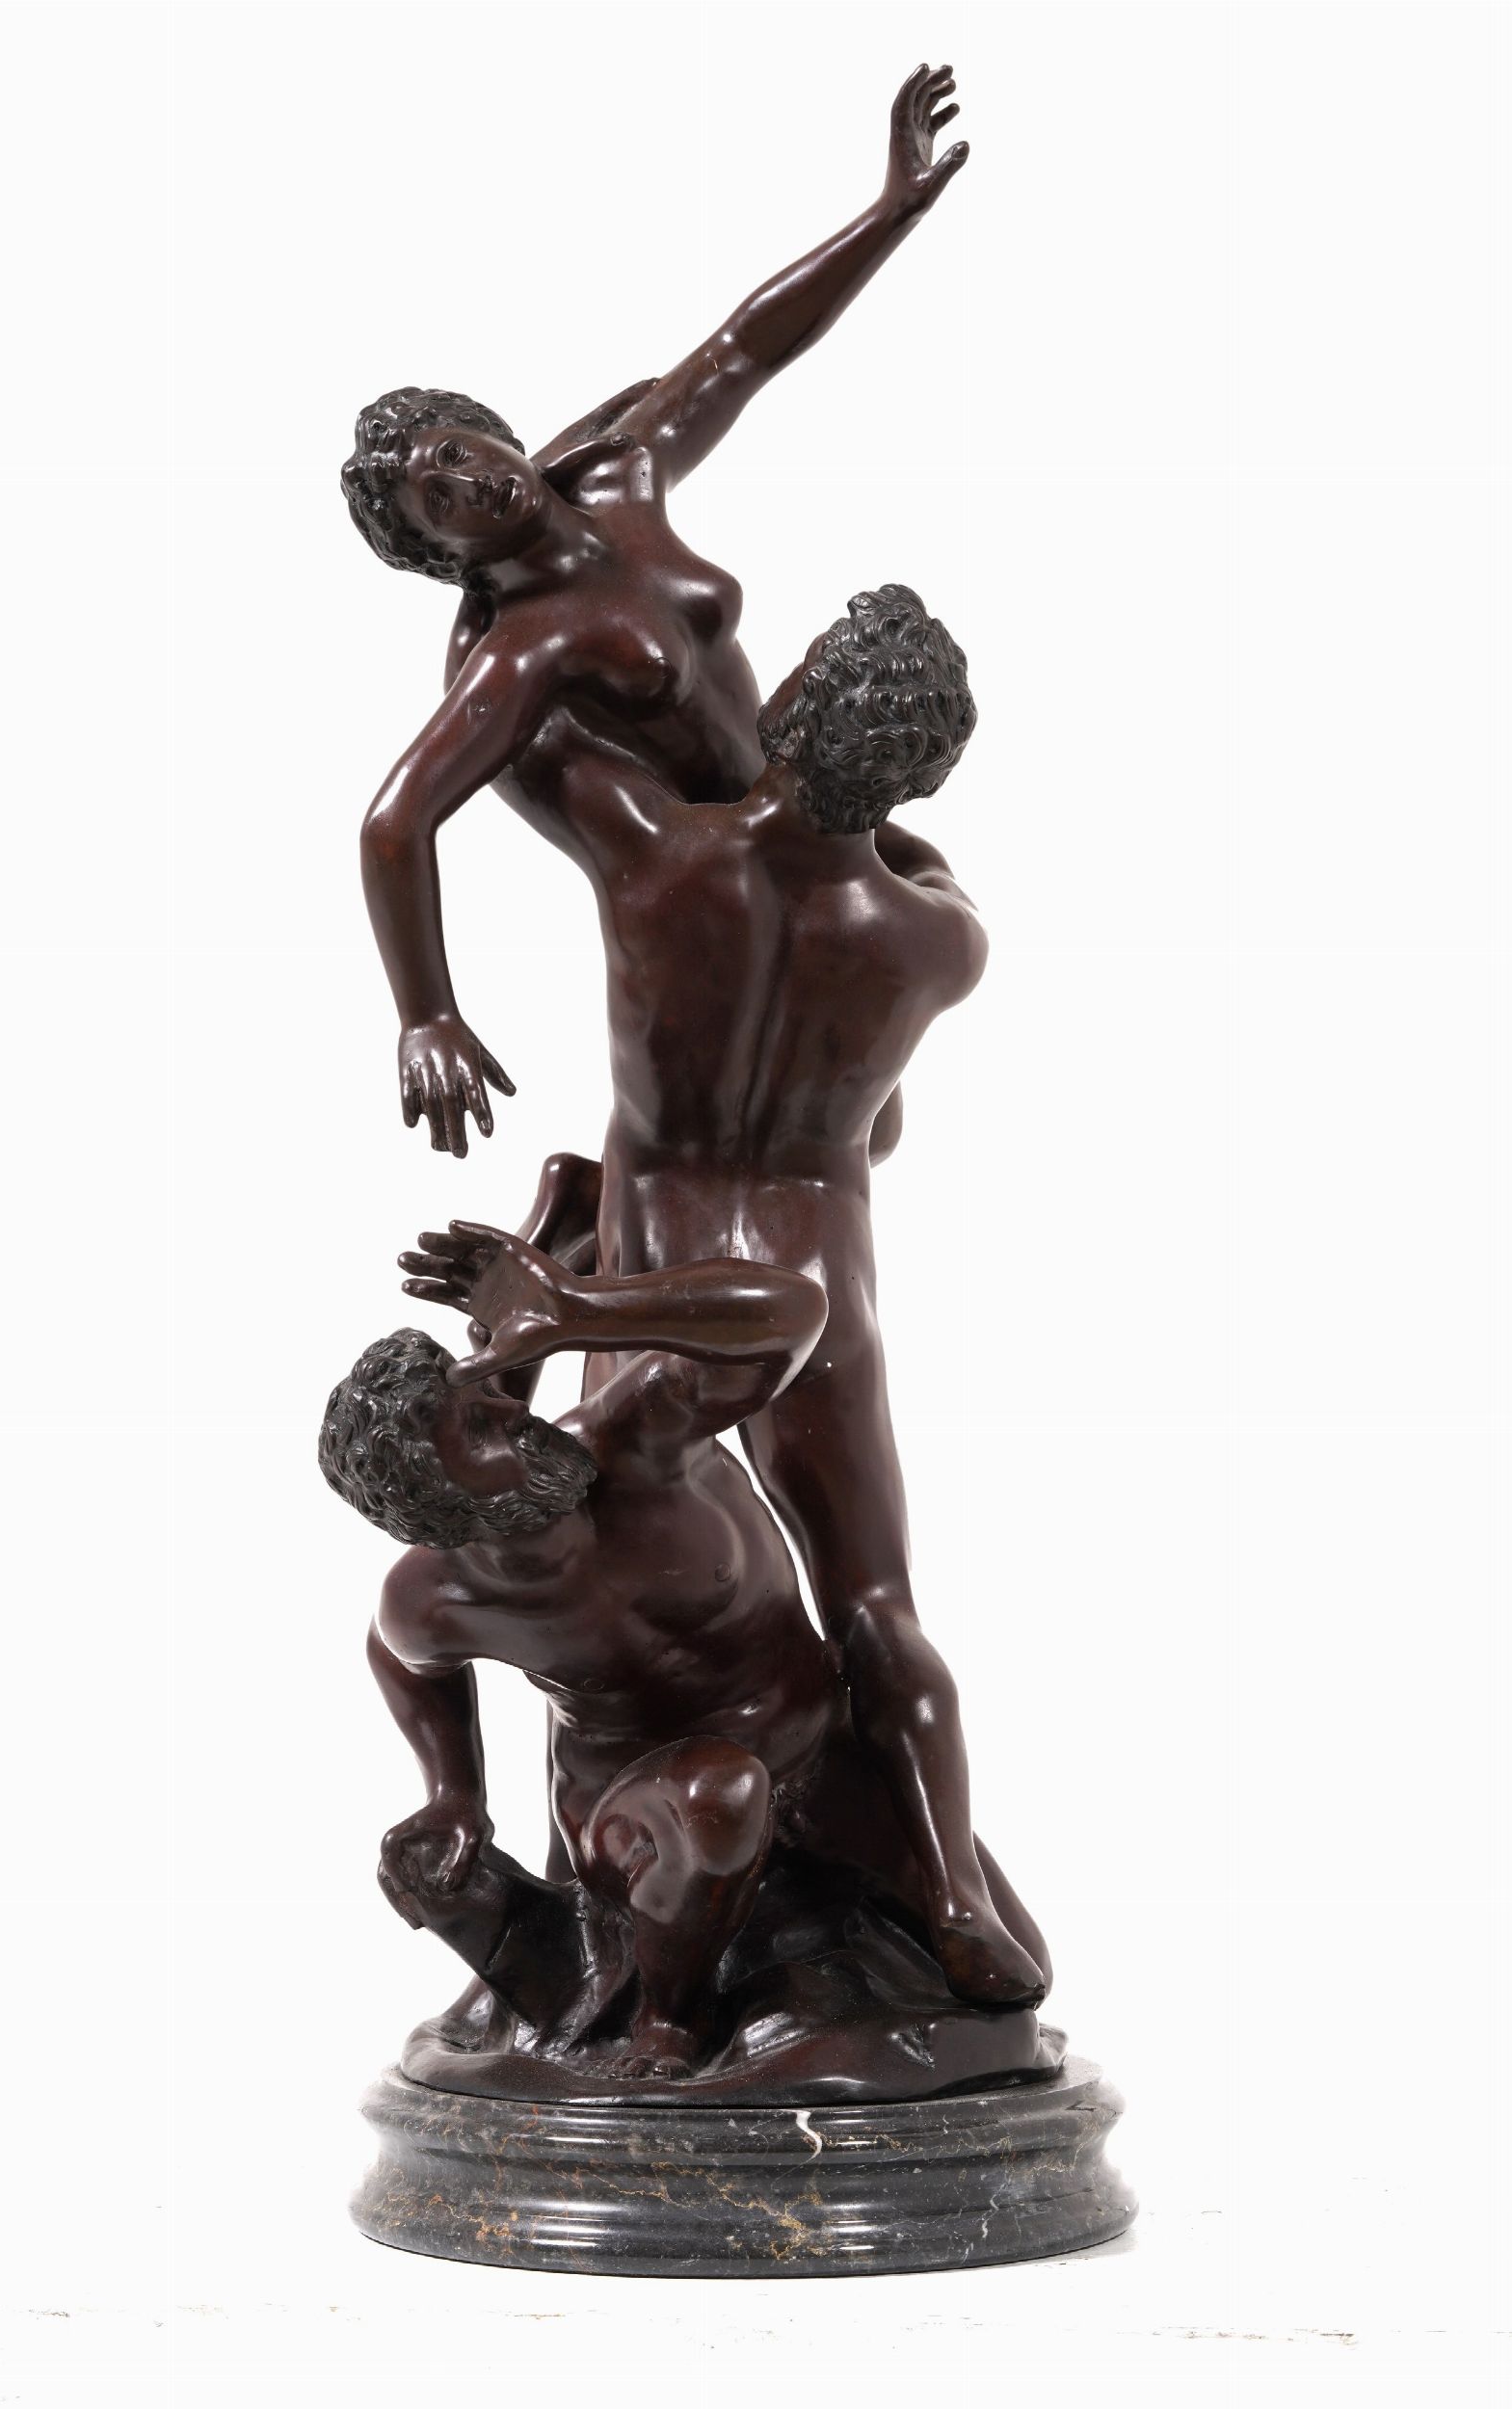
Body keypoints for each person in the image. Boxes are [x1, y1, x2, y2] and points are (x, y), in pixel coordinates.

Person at [453, 584, 1038, 2007]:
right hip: (811, 1265)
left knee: (579, 1548)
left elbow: (502, 727)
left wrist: (499, 592)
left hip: (655, 1258)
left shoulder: (654, 854)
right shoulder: (938, 944)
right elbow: (881, 1117)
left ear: (782, 707)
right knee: (874, 1600)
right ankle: (950, 1892)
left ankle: (599, 1897)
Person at [342, 65, 968, 1153]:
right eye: (438, 506)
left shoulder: (619, 474)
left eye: (455, 455)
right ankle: (586, 1222)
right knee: (784, 1137)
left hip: (813, 806)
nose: (469, 488)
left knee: (868, 1126)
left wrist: (887, 214)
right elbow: (395, 819)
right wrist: (425, 1014)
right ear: (443, 557)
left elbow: (744, 349)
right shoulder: (528, 644)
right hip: (709, 876)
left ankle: (581, 1217)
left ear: (487, 428)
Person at [320, 1217, 1049, 2077]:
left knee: (1015, 1980)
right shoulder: (438, 1599)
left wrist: (579, 1309)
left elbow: (793, 1312)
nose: (515, 1414)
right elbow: (402, 1658)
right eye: (479, 1431)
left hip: (821, 1748)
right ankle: (671, 2022)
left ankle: (930, 1909)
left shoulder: (634, 1440)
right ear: (441, 1508)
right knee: (716, 1790)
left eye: (489, 1397)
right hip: (644, 1801)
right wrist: (453, 1794)